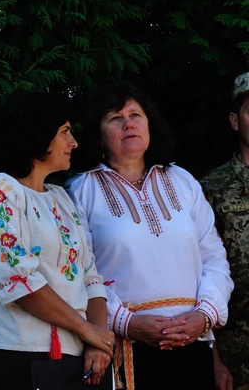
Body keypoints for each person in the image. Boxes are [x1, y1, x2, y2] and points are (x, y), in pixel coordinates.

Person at [67, 82, 232, 390]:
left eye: (135, 114)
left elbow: (214, 257)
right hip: (126, 348)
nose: (128, 123)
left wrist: (205, 315)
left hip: (193, 343)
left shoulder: (183, 181)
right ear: (97, 134)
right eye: (115, 118)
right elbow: (80, 273)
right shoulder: (80, 192)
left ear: (150, 123)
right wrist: (127, 323)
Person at [0, 93, 115, 390]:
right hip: (12, 349)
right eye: (64, 132)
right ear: (37, 134)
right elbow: (17, 278)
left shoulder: (61, 198)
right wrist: (87, 330)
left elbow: (91, 278)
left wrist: (98, 342)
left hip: (73, 357)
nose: (74, 143)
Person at [201, 71, 249, 390]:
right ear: (235, 121)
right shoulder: (209, 189)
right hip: (237, 361)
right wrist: (213, 360)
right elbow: (198, 277)